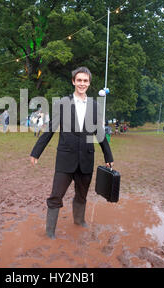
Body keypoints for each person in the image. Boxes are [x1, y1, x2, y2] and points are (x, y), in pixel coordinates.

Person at [29, 66, 114, 240]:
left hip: (86, 159)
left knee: (81, 195)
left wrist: (108, 156)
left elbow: (99, 132)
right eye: (79, 80)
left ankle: (79, 220)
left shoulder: (95, 106)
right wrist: (36, 152)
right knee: (56, 195)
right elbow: (51, 128)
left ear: (89, 83)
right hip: (65, 159)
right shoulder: (63, 103)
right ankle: (50, 231)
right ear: (73, 81)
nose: (82, 83)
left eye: (85, 80)